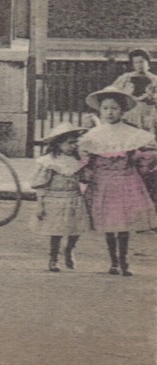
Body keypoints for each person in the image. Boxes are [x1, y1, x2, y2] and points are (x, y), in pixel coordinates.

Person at [79, 88, 157, 276]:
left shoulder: (131, 134)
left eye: (114, 108)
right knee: (109, 224)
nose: (110, 112)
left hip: (126, 182)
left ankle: (124, 261)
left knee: (124, 225)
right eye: (105, 108)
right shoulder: (94, 135)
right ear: (100, 111)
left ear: (122, 111)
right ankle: (113, 261)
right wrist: (87, 169)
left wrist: (140, 159)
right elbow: (86, 158)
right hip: (103, 182)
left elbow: (145, 155)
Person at [31, 122, 91, 273]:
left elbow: (85, 179)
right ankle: (53, 258)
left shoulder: (78, 161)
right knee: (56, 231)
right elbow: (41, 184)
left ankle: (69, 249)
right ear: (58, 144)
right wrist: (40, 204)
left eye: (75, 142)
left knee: (75, 229)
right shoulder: (50, 162)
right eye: (69, 143)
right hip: (55, 199)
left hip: (74, 198)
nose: (73, 146)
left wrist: (88, 173)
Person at [113, 50, 157, 132]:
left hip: (148, 113)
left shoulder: (154, 79)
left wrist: (152, 97)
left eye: (141, 62)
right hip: (130, 113)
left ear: (147, 62)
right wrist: (126, 93)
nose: (139, 65)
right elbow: (114, 94)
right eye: (136, 62)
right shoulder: (124, 78)